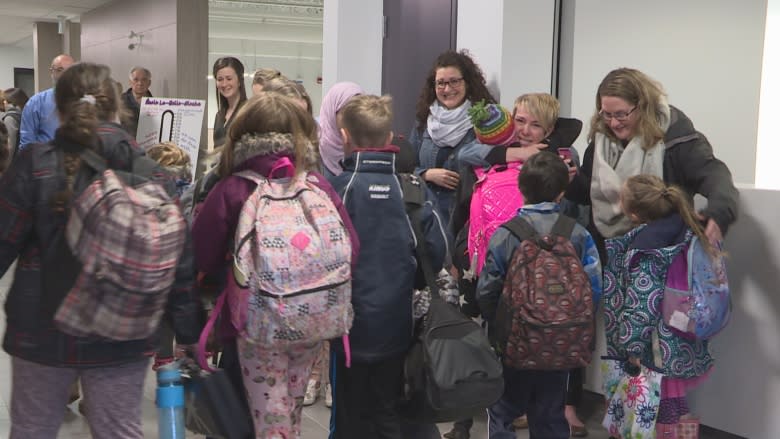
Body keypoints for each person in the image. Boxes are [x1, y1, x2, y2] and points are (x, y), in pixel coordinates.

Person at [0, 62, 202, 439]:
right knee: (119, 429)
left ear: (57, 110)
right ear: (117, 110)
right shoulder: (154, 173)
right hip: (124, 329)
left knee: (32, 429)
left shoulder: (35, 163)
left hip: (41, 325)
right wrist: (190, 332)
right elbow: (179, 259)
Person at [192, 92, 358, 438]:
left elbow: (202, 252)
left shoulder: (234, 188)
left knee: (270, 411)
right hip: (314, 314)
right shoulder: (316, 185)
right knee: (291, 404)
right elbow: (351, 249)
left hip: (259, 319)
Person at [446, 93, 583, 439]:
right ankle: (464, 418)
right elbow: (464, 155)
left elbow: (576, 205)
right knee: (478, 340)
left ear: (550, 128)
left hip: (545, 267)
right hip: (493, 257)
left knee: (545, 350)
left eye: (536, 124)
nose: (526, 130)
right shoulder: (492, 148)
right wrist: (515, 153)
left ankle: (554, 409)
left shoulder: (563, 156)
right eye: (520, 120)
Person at [327, 94, 449, 439]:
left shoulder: (336, 190)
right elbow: (436, 253)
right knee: (389, 408)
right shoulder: (413, 189)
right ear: (390, 137)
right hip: (398, 321)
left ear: (345, 137)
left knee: (350, 413)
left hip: (347, 326)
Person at [476, 151, 602, 439]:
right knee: (550, 412)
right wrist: (568, 323)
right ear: (562, 192)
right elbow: (594, 288)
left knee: (503, 409)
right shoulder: (578, 234)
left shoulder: (506, 234)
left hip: (514, 343)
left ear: (520, 189)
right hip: (561, 342)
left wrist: (498, 327)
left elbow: (488, 289)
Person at [565, 67, 739, 257]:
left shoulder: (676, 139)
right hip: (606, 256)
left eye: (621, 114)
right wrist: (569, 181)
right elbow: (589, 193)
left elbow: (715, 174)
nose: (614, 123)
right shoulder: (601, 143)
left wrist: (720, 211)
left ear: (643, 106)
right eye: (607, 114)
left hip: (659, 256)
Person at [605, 174, 717, 434]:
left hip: (655, 347)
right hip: (683, 336)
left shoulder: (647, 247)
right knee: (675, 405)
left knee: (651, 411)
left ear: (633, 214)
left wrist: (631, 346)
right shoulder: (686, 229)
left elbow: (642, 302)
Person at [409, 49, 497, 227]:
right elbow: (406, 167)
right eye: (441, 83)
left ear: (468, 82)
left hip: (467, 218)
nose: (447, 89)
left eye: (454, 81)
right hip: (428, 216)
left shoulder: (485, 119)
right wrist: (426, 174)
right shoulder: (424, 120)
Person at [19, 53, 75, 149]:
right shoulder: (36, 103)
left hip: (76, 161)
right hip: (45, 161)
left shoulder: (84, 101)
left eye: (70, 70)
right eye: (60, 70)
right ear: (52, 72)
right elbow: (27, 144)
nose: (65, 75)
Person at [318, 81, 363, 179]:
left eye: (359, 112)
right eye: (347, 112)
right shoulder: (314, 151)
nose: (354, 118)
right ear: (332, 113)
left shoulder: (368, 148)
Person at [212, 57, 248, 150]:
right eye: (220, 79)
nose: (224, 84)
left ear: (239, 81)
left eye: (229, 78)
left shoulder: (248, 111)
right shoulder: (219, 116)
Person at [120, 66, 153, 138]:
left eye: (144, 80)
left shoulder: (156, 104)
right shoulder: (120, 101)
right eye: (136, 79)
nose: (140, 83)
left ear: (149, 83)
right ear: (130, 82)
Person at [2, 87, 28, 159]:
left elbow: (10, 146)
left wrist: (4, 167)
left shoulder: (10, 119)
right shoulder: (27, 115)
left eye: (5, 100)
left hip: (14, 164)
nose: (3, 102)